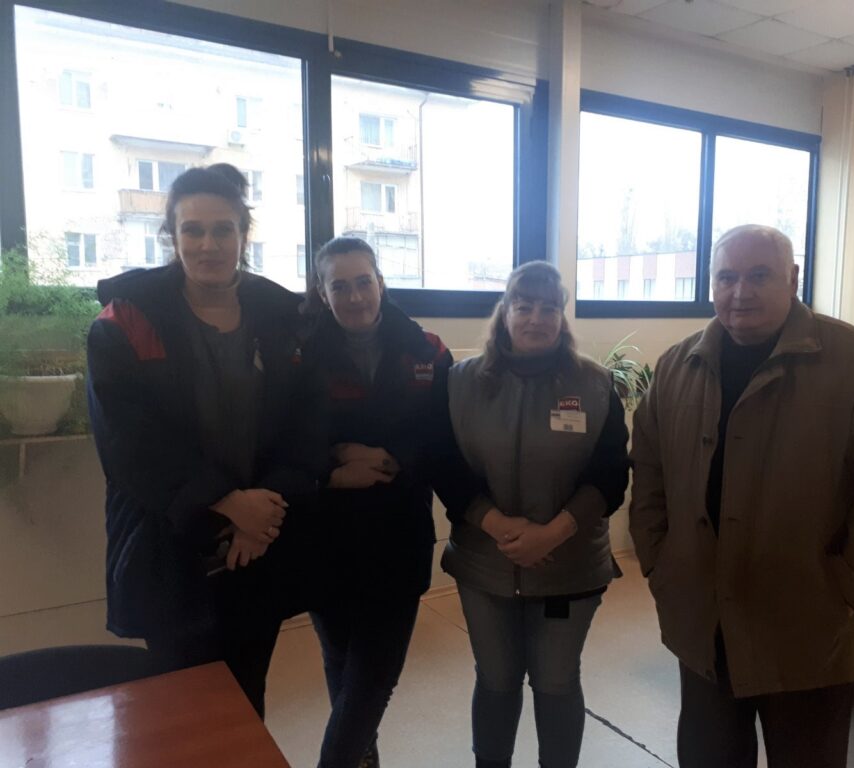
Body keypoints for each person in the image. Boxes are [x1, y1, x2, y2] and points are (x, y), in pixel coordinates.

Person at [629, 224, 854, 767]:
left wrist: (849, 584)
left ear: (792, 278)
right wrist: (659, 560)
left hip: (808, 628)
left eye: (759, 275)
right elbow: (648, 470)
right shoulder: (677, 365)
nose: (740, 291)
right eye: (726, 277)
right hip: (702, 622)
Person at [87, 163, 324, 717]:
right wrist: (227, 502)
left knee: (247, 701)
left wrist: (262, 514)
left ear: (244, 234)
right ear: (171, 235)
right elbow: (128, 445)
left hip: (259, 543)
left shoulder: (286, 318)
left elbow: (307, 428)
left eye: (223, 230)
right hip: (170, 547)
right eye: (192, 230)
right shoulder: (125, 321)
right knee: (181, 712)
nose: (208, 244)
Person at [439, 261, 630, 768]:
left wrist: (554, 533)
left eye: (549, 308)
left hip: (569, 566)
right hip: (484, 562)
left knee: (556, 680)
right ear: (504, 312)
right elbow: (444, 464)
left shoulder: (595, 383)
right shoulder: (459, 382)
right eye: (524, 306)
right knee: (496, 679)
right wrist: (498, 525)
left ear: (562, 316)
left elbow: (611, 475)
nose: (536, 318)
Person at [302, 237, 453, 768]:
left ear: (381, 283)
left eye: (363, 281)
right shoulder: (296, 354)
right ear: (322, 293)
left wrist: (394, 459)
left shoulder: (428, 350)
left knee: (372, 681)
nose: (354, 297)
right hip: (324, 542)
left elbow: (444, 437)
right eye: (339, 286)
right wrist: (332, 467)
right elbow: (279, 438)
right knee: (343, 664)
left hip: (398, 540)